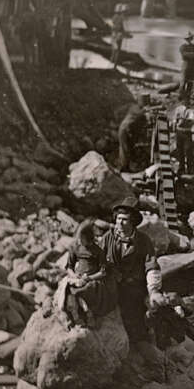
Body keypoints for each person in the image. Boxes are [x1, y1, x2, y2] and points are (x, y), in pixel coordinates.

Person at [101, 197, 163, 347]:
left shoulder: (143, 241)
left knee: (137, 327)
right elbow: (98, 259)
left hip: (134, 290)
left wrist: (153, 290)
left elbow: (151, 266)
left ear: (133, 222)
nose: (120, 224)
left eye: (125, 220)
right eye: (118, 219)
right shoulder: (108, 237)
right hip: (112, 287)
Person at [63, 219, 109, 327]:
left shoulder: (98, 251)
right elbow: (69, 267)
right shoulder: (75, 248)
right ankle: (75, 316)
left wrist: (90, 277)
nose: (80, 240)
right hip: (77, 277)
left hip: (92, 279)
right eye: (80, 238)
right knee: (69, 289)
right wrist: (74, 275)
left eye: (83, 238)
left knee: (89, 288)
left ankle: (89, 314)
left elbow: (103, 272)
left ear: (90, 238)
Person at [117, 103, 147, 172]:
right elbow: (129, 127)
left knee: (125, 149)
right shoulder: (136, 112)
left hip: (124, 129)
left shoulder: (135, 109)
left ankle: (125, 166)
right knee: (125, 149)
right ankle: (124, 168)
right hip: (124, 130)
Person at [179, 32, 194, 100]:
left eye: (190, 38)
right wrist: (192, 55)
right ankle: (181, 96)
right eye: (187, 38)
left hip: (193, 65)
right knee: (183, 80)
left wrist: (190, 55)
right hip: (186, 64)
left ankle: (188, 95)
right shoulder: (183, 46)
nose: (189, 40)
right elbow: (184, 55)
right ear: (186, 39)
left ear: (191, 39)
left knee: (191, 81)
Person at [110, 4, 127, 70]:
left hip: (114, 34)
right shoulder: (121, 18)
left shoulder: (113, 17)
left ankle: (111, 63)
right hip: (119, 35)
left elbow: (113, 26)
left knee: (113, 49)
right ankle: (115, 65)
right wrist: (125, 33)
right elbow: (121, 27)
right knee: (117, 50)